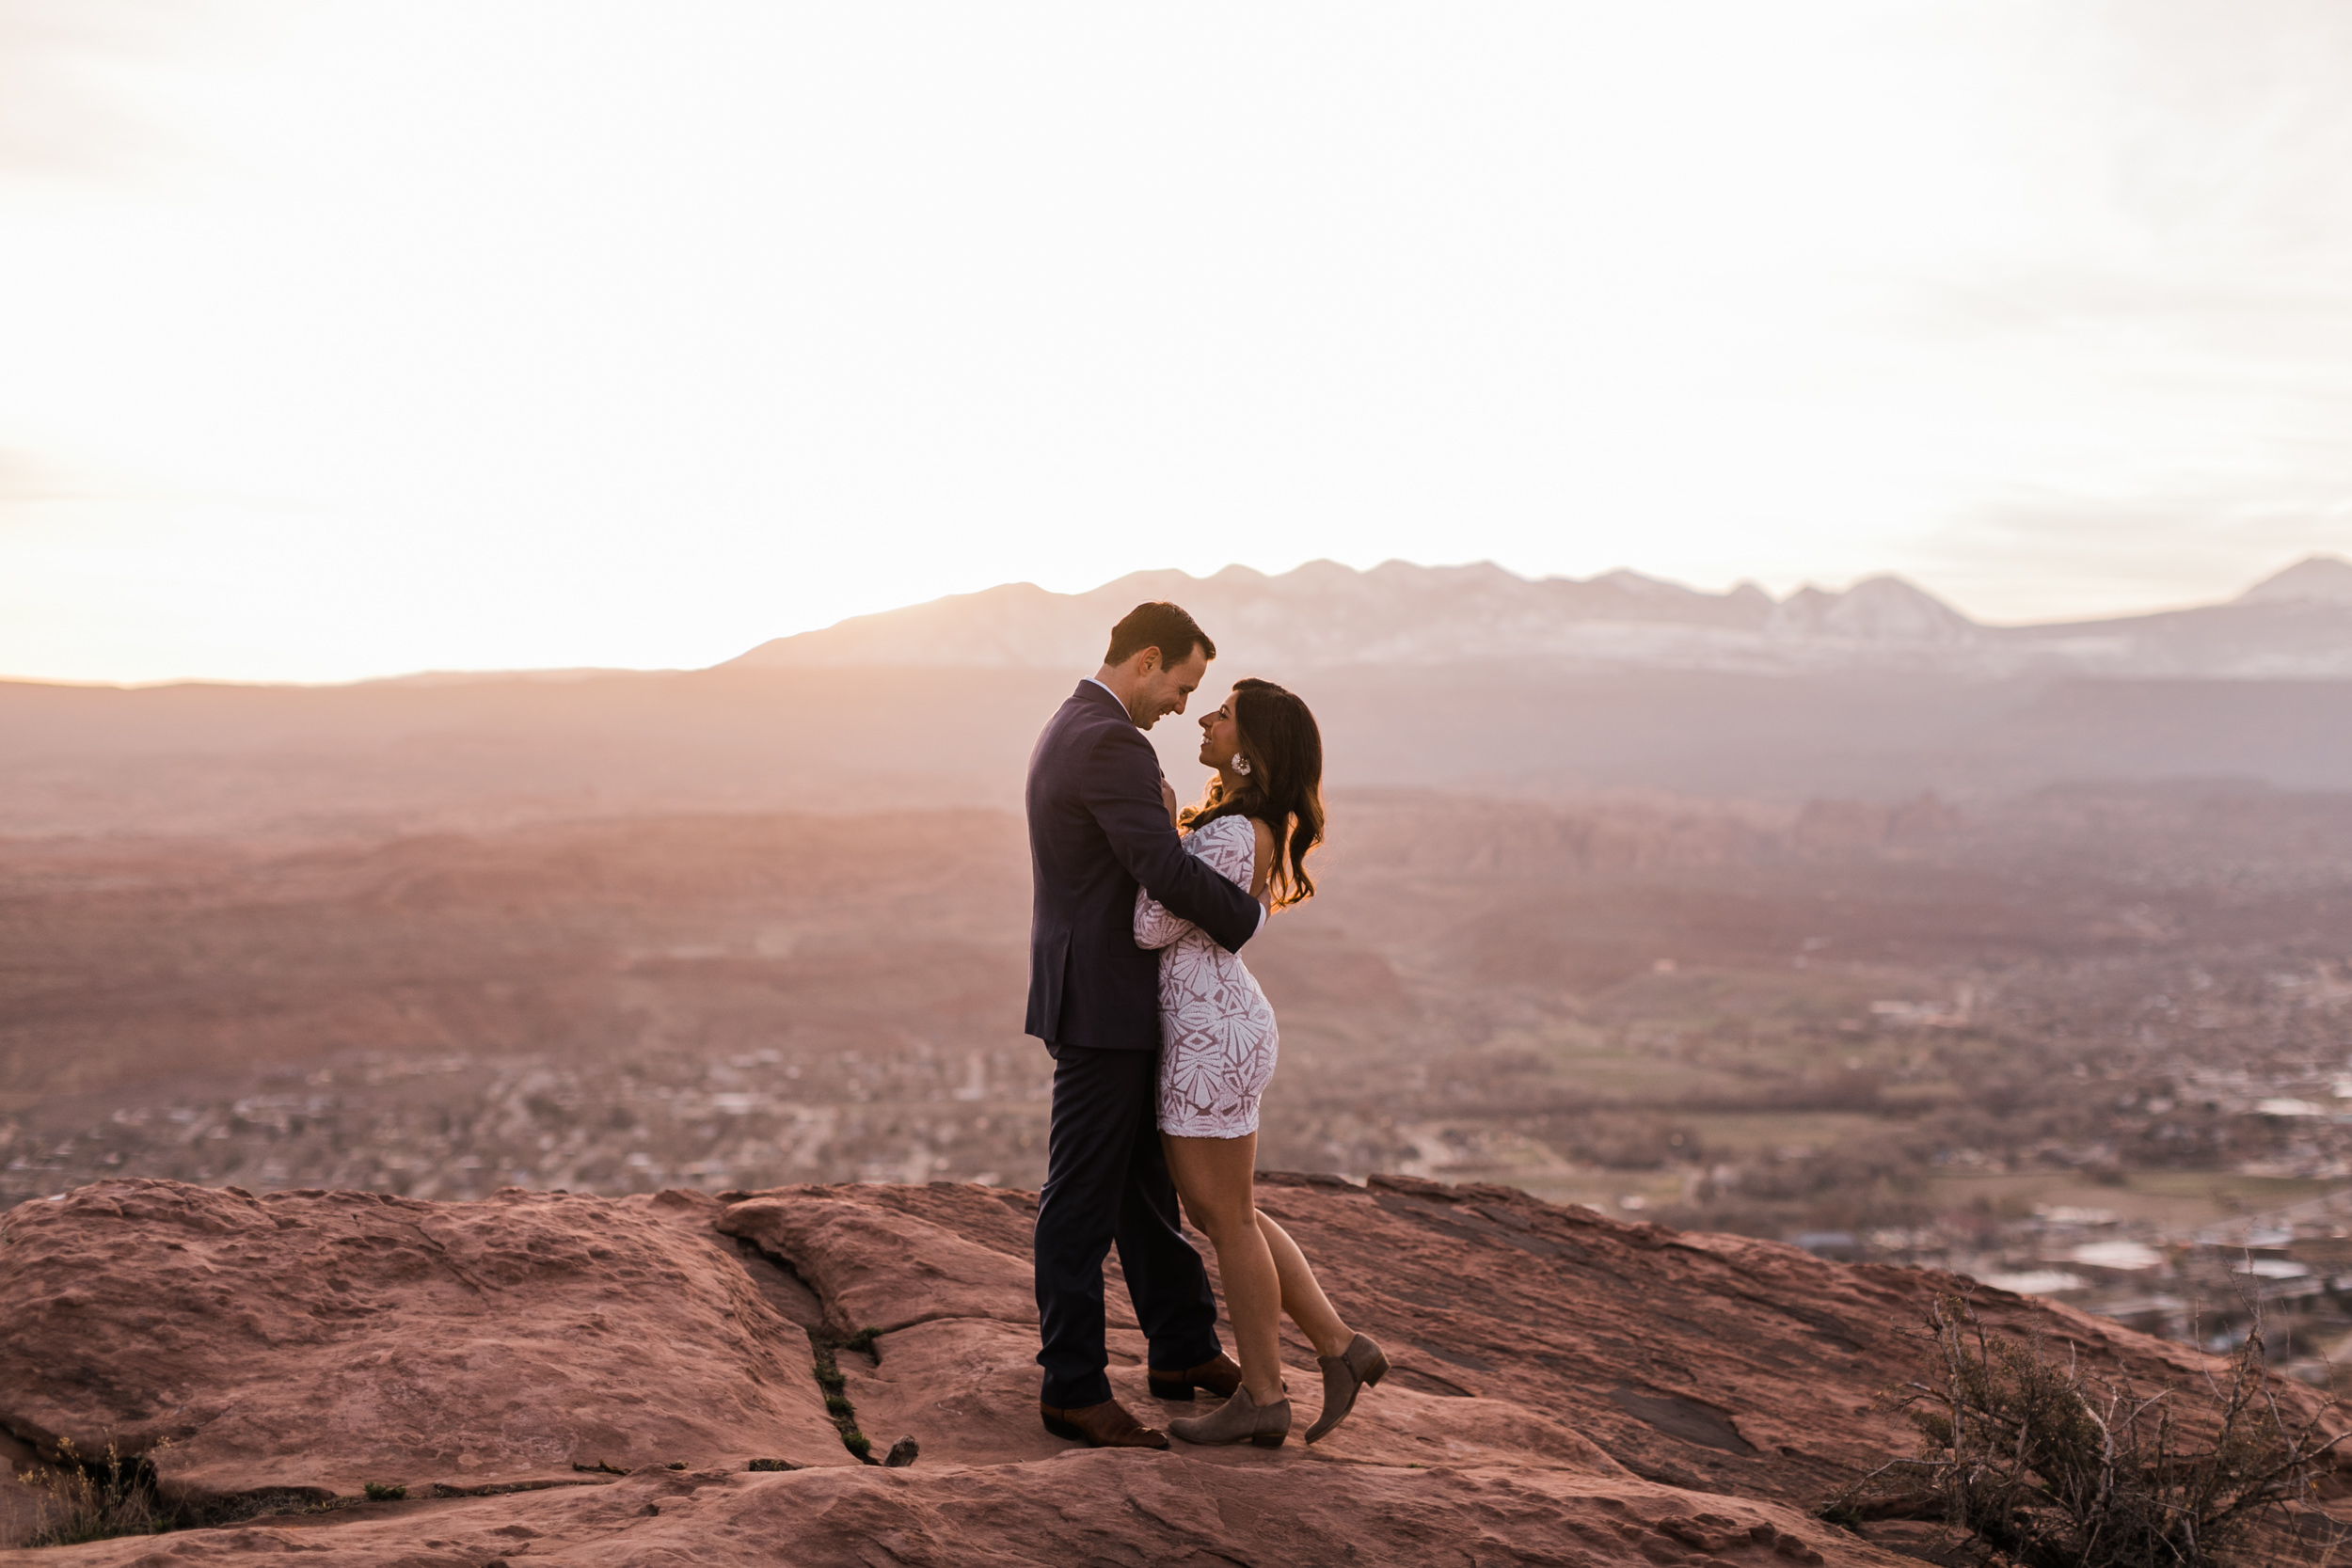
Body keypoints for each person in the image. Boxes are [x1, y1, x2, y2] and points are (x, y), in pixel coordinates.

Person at [1025, 601, 1266, 1449]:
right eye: (1181, 683)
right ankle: (1073, 1388)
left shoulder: (1074, 723)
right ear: (1148, 658)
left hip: (1099, 993)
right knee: (1082, 1198)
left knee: (1141, 1187)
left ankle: (1182, 1348)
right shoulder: (1110, 740)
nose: (1180, 704)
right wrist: (1245, 913)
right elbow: (1159, 867)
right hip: (1104, 1000)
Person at [1137, 677, 1386, 1449]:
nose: (1205, 718)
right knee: (1230, 1211)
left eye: (1224, 715)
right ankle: (1340, 1346)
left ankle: (1265, 1394)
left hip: (1209, 1038)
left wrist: (1151, 828)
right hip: (1225, 1025)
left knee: (1225, 1219)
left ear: (1250, 752)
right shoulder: (1249, 828)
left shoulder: (1226, 834)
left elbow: (1150, 925)